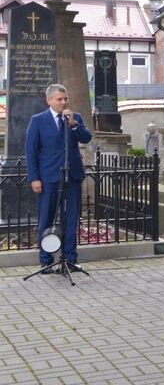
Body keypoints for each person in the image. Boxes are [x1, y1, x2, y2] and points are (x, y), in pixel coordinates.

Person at [26, 84, 93, 272]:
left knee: (71, 219)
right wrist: (34, 178)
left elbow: (86, 138)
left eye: (65, 99)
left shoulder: (74, 118)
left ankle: (70, 259)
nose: (63, 102)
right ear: (49, 101)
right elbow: (31, 152)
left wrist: (74, 125)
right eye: (59, 99)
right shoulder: (38, 121)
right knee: (46, 219)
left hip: (72, 176)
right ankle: (46, 261)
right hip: (48, 178)